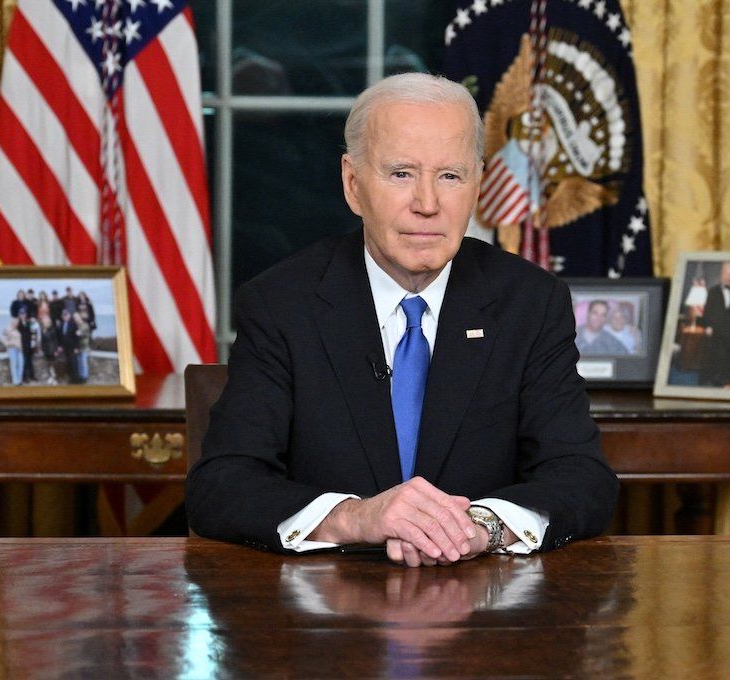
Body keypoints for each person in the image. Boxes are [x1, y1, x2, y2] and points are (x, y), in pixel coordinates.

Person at [186, 73, 618, 568]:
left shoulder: (531, 303)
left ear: (477, 184)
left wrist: (484, 527)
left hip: (484, 614)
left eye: (450, 176)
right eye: (401, 174)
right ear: (353, 184)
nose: (428, 204)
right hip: (324, 617)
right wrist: (354, 518)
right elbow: (221, 483)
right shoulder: (281, 304)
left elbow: (582, 478)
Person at [698, 262, 730, 388]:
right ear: (721, 275)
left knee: (727, 356)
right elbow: (708, 311)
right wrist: (708, 326)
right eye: (726, 274)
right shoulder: (713, 291)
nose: (729, 277)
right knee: (713, 355)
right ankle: (706, 380)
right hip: (716, 329)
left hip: (729, 330)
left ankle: (725, 380)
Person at [55, 308, 80, 383]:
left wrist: (77, 347)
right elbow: (59, 337)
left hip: (73, 347)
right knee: (69, 363)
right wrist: (59, 346)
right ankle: (71, 379)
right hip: (65, 348)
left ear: (69, 315)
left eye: (66, 315)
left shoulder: (74, 324)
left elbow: (77, 337)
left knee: (74, 363)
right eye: (63, 315)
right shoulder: (61, 325)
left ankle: (76, 380)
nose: (65, 316)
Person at [16, 307, 37, 384]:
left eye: (24, 313)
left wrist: (33, 343)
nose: (23, 315)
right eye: (21, 313)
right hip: (22, 346)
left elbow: (34, 332)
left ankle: (32, 376)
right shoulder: (18, 324)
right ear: (19, 314)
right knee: (24, 362)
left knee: (30, 362)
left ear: (26, 314)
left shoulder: (29, 322)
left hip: (29, 345)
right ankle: (25, 378)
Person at [1, 318, 23, 386]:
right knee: (14, 365)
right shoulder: (7, 329)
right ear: (12, 322)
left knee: (21, 364)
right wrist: (9, 344)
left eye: (17, 323)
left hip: (19, 349)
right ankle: (16, 382)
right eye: (15, 322)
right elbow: (2, 338)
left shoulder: (17, 330)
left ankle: (19, 380)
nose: (16, 324)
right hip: (12, 349)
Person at [74, 311, 91, 382]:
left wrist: (79, 333)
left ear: (80, 317)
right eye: (74, 318)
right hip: (78, 346)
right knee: (79, 362)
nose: (75, 319)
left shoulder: (85, 325)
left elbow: (83, 334)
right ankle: (81, 377)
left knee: (83, 362)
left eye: (77, 317)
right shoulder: (76, 326)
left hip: (84, 346)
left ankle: (85, 377)